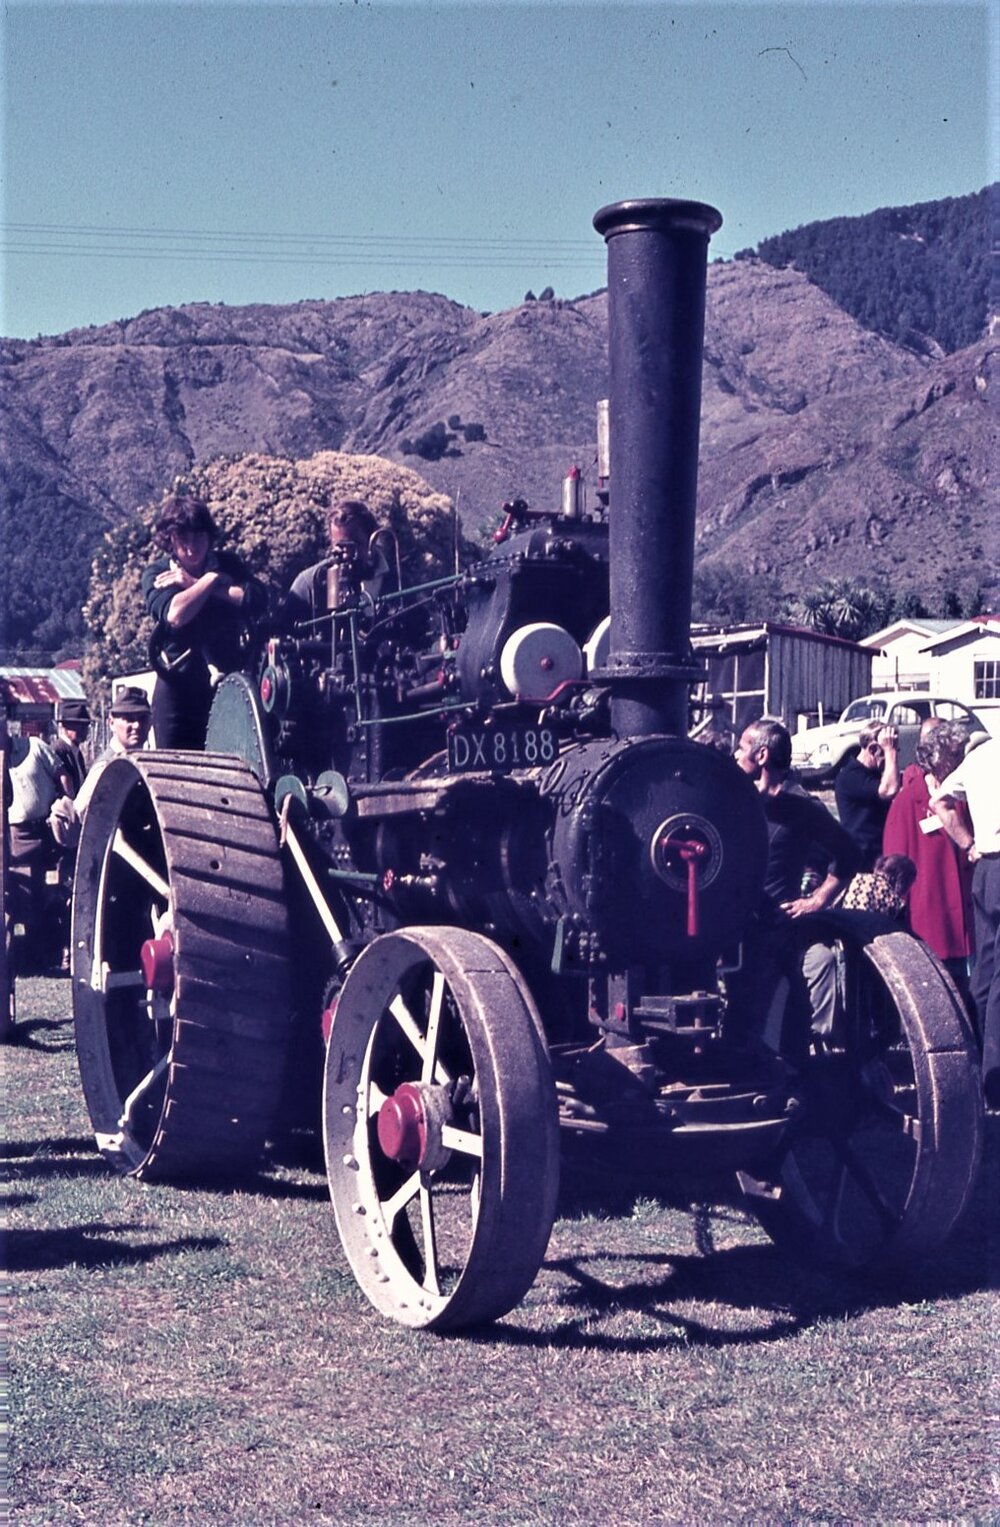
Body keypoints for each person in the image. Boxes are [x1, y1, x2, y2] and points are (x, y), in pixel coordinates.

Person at [732, 718, 860, 1053]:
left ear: (761, 755)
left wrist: (816, 901)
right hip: (728, 927)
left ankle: (797, 1060)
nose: (735, 754)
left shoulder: (803, 808)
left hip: (773, 929)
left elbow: (849, 854)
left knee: (752, 1022)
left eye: (741, 747)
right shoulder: (734, 799)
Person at [142, 493, 267, 749]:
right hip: (177, 687)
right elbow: (175, 614)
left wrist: (198, 582)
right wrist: (212, 581)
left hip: (226, 684)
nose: (192, 547)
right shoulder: (157, 573)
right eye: (183, 539)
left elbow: (256, 598)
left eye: (198, 537)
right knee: (173, 765)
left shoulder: (229, 564)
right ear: (170, 540)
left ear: (209, 536)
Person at [930, 733, 1000, 1109]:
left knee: (985, 973)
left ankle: (979, 1073)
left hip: (986, 869)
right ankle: (994, 1083)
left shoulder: (981, 755)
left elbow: (938, 801)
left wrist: (968, 843)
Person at [882, 720, 974, 995]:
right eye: (955, 757)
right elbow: (894, 865)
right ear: (937, 760)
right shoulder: (908, 800)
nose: (961, 763)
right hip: (930, 917)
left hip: (969, 919)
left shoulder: (964, 795)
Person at [7, 721, 73, 971]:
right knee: (21, 896)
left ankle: (59, 952)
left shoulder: (35, 746)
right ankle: (27, 957)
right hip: (14, 837)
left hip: (47, 833)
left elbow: (62, 774)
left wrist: (67, 805)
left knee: (54, 893)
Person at [282, 500, 394, 627]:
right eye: (340, 548)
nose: (346, 555)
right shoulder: (308, 585)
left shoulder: (399, 582)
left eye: (354, 546)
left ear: (373, 539)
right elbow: (285, 633)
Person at [74, 687, 152, 817]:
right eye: (129, 719)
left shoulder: (143, 760)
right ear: (111, 723)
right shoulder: (106, 766)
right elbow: (80, 812)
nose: (137, 725)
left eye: (142, 718)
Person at [834, 720, 901, 869]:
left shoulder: (875, 774)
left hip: (878, 856)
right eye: (884, 754)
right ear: (872, 750)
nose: (891, 759)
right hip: (861, 861)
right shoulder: (851, 776)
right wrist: (890, 751)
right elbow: (889, 790)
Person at [52, 698, 91, 798]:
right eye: (78, 725)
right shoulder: (58, 750)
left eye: (86, 725)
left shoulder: (77, 752)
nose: (84, 729)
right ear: (65, 726)